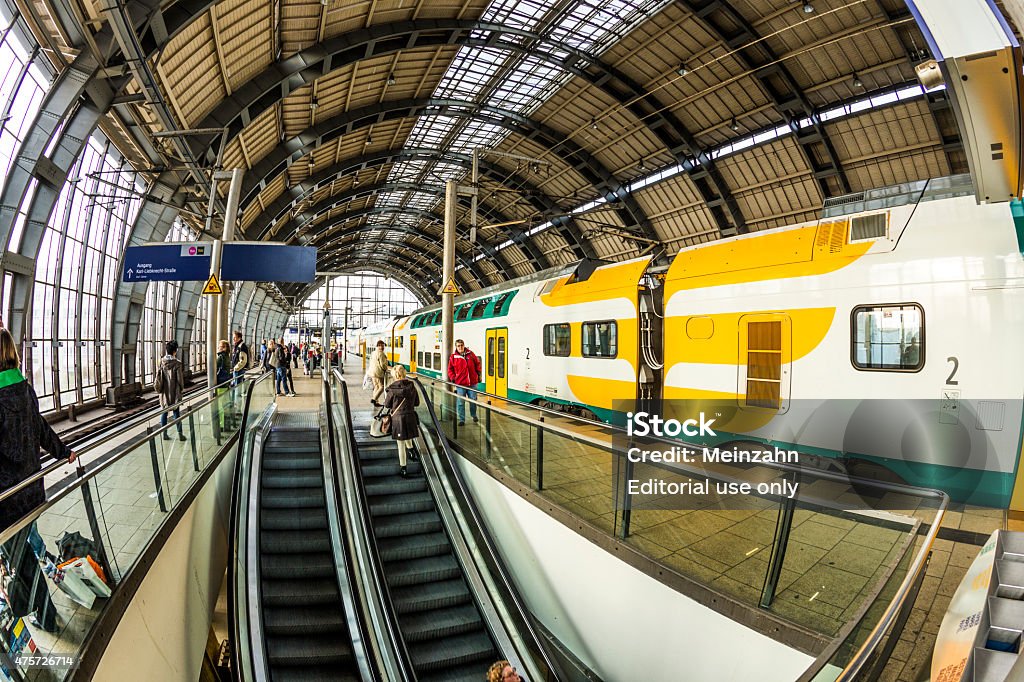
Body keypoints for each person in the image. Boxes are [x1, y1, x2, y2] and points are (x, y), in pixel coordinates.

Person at [0, 328, 76, 633]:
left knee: (20, 560)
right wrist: (63, 451)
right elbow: (41, 428)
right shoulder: (24, 388)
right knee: (25, 551)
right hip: (31, 491)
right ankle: (43, 613)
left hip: (6, 499)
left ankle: (43, 616)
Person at [383, 366, 419, 478]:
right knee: (408, 436)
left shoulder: (392, 389)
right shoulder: (412, 387)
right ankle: (412, 451)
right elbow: (417, 402)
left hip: (398, 418)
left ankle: (403, 468)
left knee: (400, 444)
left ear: (394, 375)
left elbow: (387, 405)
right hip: (410, 416)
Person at [155, 340, 187, 441]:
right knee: (176, 413)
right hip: (175, 392)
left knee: (164, 412)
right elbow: (180, 380)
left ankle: (164, 434)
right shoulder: (177, 363)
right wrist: (181, 388)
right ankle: (180, 434)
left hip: (164, 392)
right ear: (175, 351)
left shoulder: (161, 362)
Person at [447, 338, 481, 426]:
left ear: (464, 345)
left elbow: (477, 364)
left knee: (473, 400)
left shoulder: (471, 354)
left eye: (462, 345)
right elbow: (450, 369)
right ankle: (462, 419)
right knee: (460, 402)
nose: (460, 347)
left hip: (472, 383)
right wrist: (453, 378)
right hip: (460, 384)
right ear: (456, 347)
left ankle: (473, 415)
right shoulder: (453, 357)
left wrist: (479, 374)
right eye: (458, 346)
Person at [368, 340, 390, 407]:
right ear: (378, 346)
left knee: (376, 387)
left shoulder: (373, 352)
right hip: (378, 373)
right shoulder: (381, 353)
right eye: (380, 346)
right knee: (381, 387)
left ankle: (376, 402)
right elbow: (383, 365)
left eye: (383, 346)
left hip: (372, 372)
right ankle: (374, 399)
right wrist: (386, 369)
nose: (382, 347)